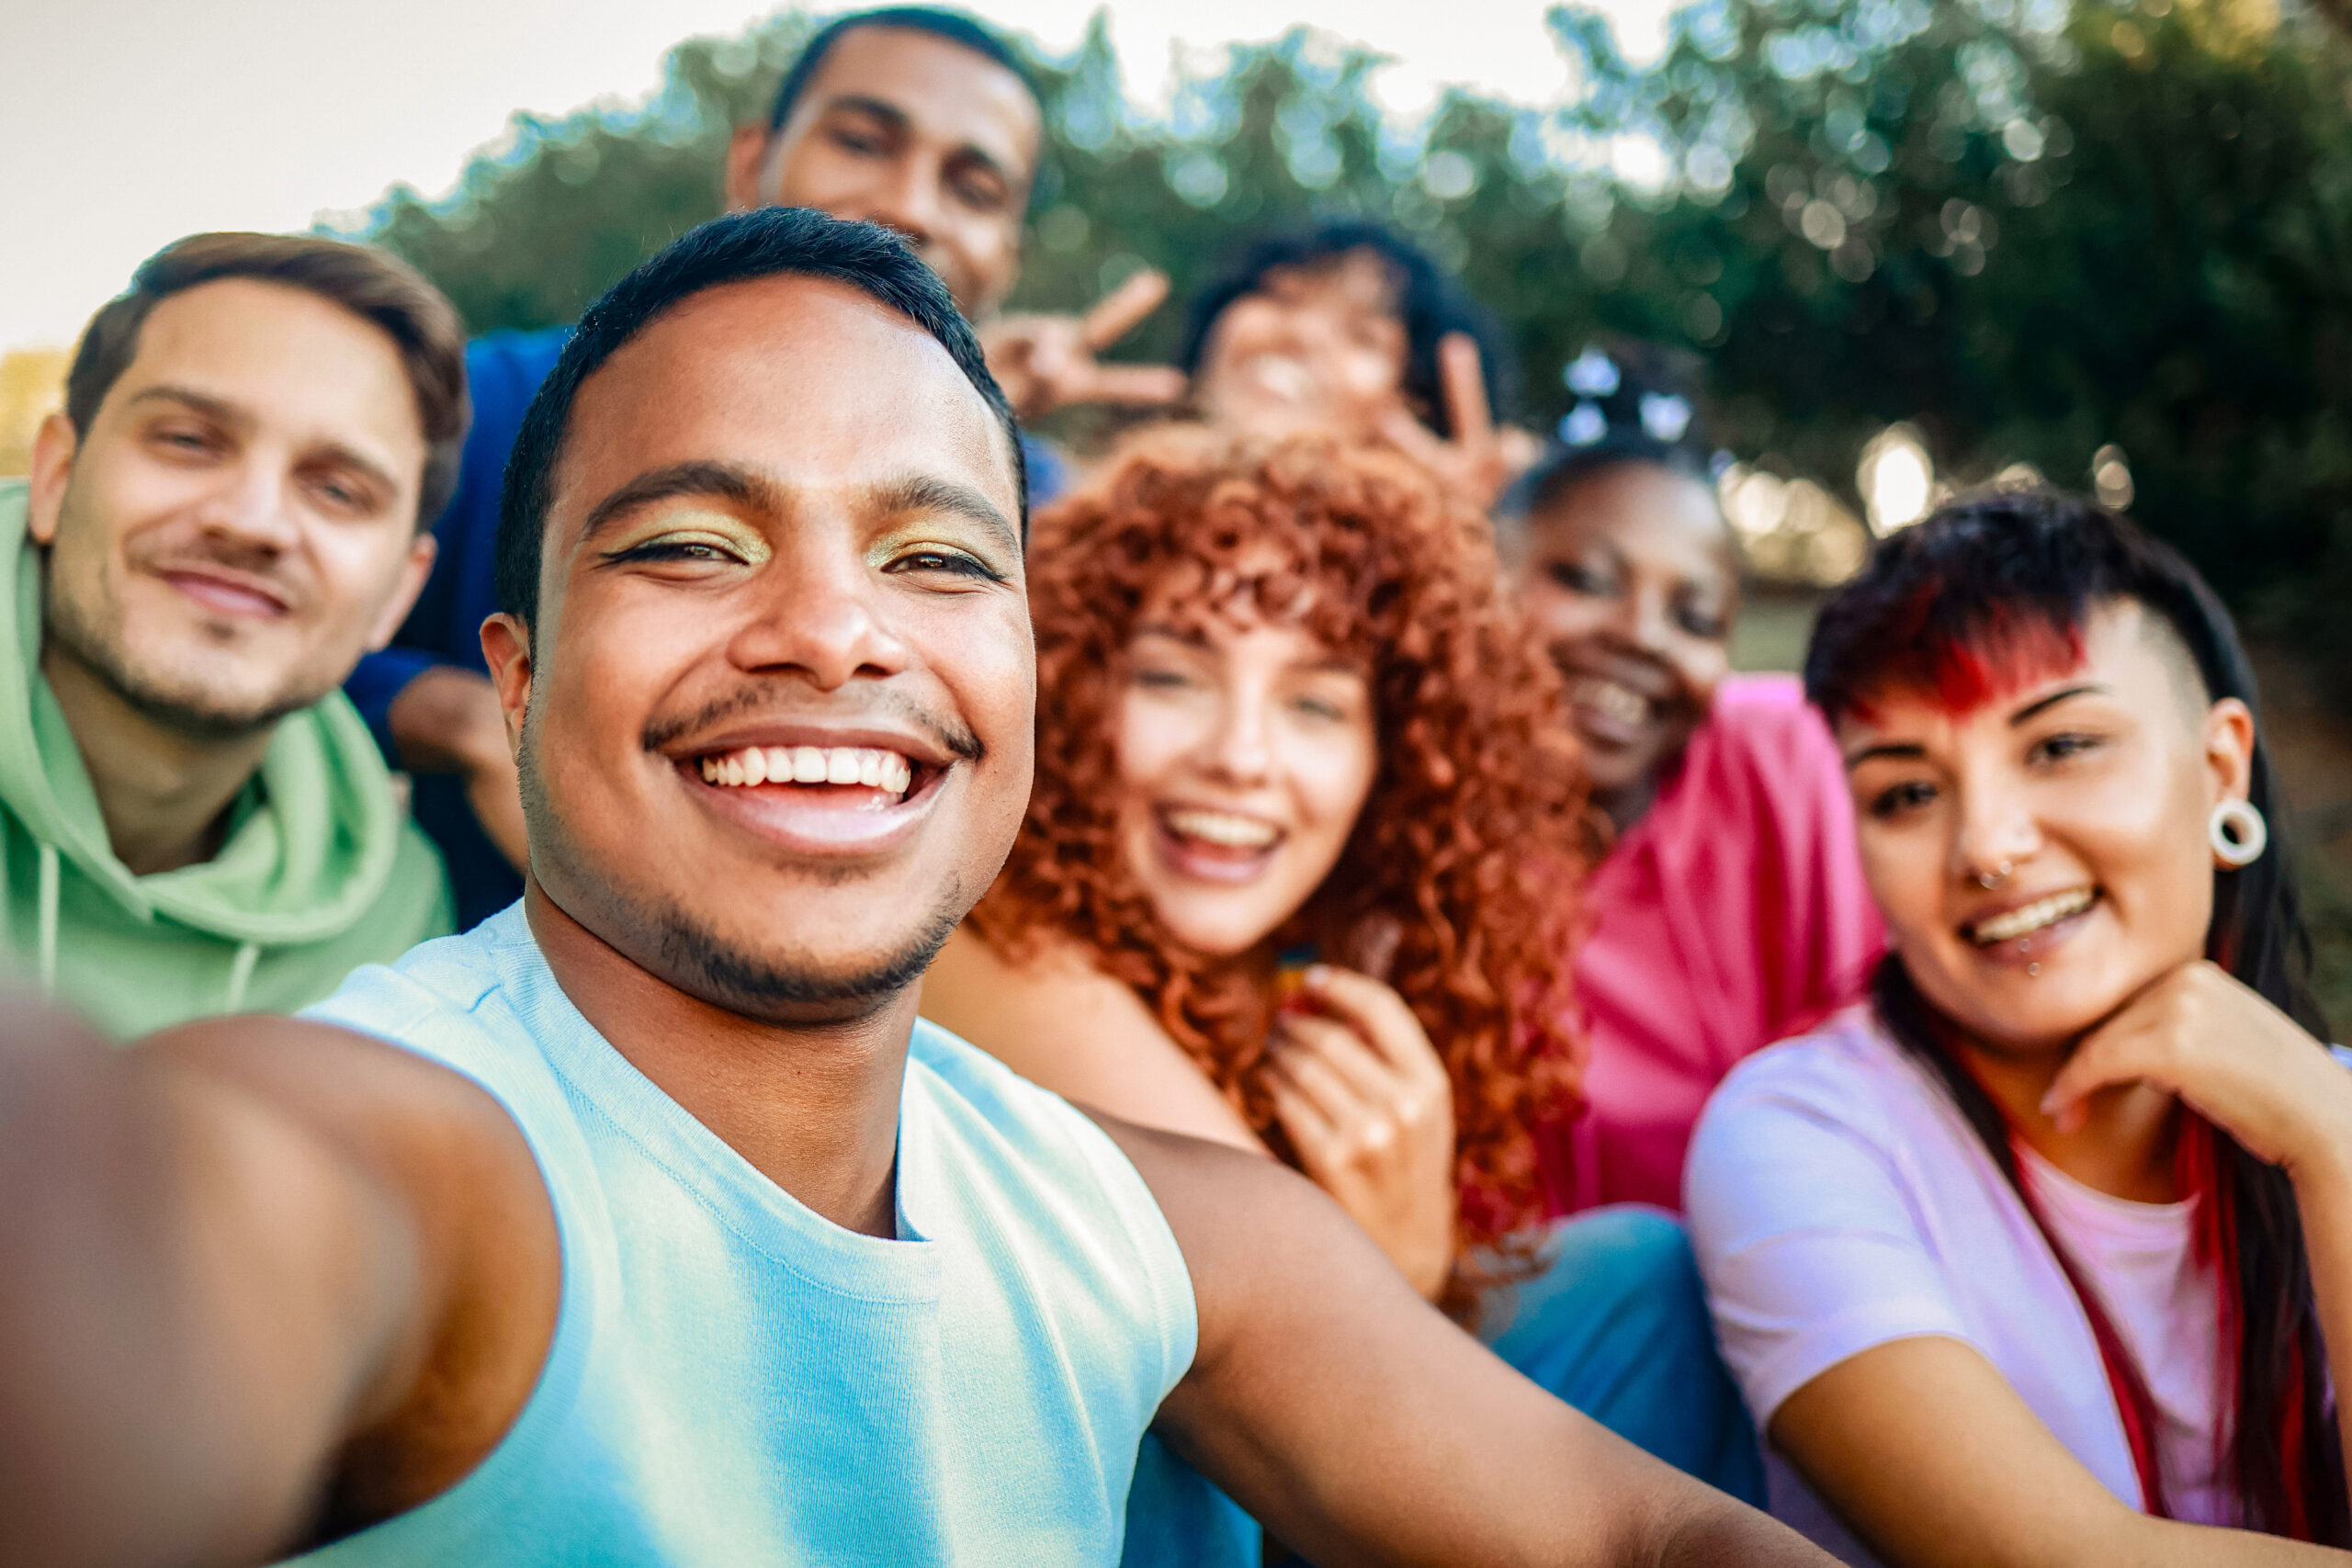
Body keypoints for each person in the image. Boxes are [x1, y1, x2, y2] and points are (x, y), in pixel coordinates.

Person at [0, 209, 1829, 1568]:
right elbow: (180, 1243)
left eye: (934, 555)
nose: (828, 626)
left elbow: (1635, 1534)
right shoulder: (424, 1152)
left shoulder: (1147, 1218)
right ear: (518, 676)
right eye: (696, 545)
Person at [921, 429, 1764, 1559]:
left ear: (1394, 761)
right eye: (1173, 677)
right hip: (1120, 1469)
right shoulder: (993, 928)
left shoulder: (1322, 967)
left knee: (1645, 1277)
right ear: (1070, 695)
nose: (1242, 758)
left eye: (1315, 706)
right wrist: (1401, 1272)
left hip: (1323, 1408)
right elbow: (1290, 1343)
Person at [354, 5, 1184, 929]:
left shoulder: (1050, 503)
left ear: (1007, 252)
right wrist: (451, 716)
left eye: (974, 187)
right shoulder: (501, 403)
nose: (910, 203)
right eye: (864, 141)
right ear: (752, 164)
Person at [1685, 492, 2352, 1564]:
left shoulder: (2337, 1109)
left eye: (2061, 745)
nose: (1986, 847)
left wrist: (2331, 1142)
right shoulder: (1797, 1134)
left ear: (2220, 768)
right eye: (1905, 795)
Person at [1, 232, 458, 1038]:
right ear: (54, 480)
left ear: (398, 592)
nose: (252, 522)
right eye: (188, 440)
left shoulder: (396, 929)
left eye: (338, 490)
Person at [1493, 344, 1882, 1213]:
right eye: (1588, 578)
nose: (1642, 635)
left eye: (1695, 615)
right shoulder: (1397, 799)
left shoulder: (1781, 757)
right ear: (1484, 580)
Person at [1177, 220, 1524, 508]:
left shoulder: (1414, 581)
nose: (1302, 333)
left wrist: (1468, 530)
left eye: (1362, 335)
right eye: (1282, 298)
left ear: (1415, 406)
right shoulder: (1127, 512)